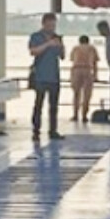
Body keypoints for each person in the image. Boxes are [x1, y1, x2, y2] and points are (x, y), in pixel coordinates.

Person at [26, 13, 65, 141]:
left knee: (53, 105)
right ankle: (36, 130)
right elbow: (33, 52)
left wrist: (60, 45)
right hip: (41, 76)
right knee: (38, 104)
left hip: (54, 76)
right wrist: (48, 44)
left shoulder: (57, 37)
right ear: (44, 24)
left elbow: (62, 56)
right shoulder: (36, 37)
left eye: (54, 25)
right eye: (50, 25)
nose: (52, 28)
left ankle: (53, 130)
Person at [69, 33, 99, 125]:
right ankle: (84, 115)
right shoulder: (92, 48)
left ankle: (75, 114)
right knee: (87, 95)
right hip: (87, 70)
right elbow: (95, 63)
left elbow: (72, 60)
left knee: (76, 94)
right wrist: (95, 75)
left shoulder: (75, 48)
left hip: (76, 70)